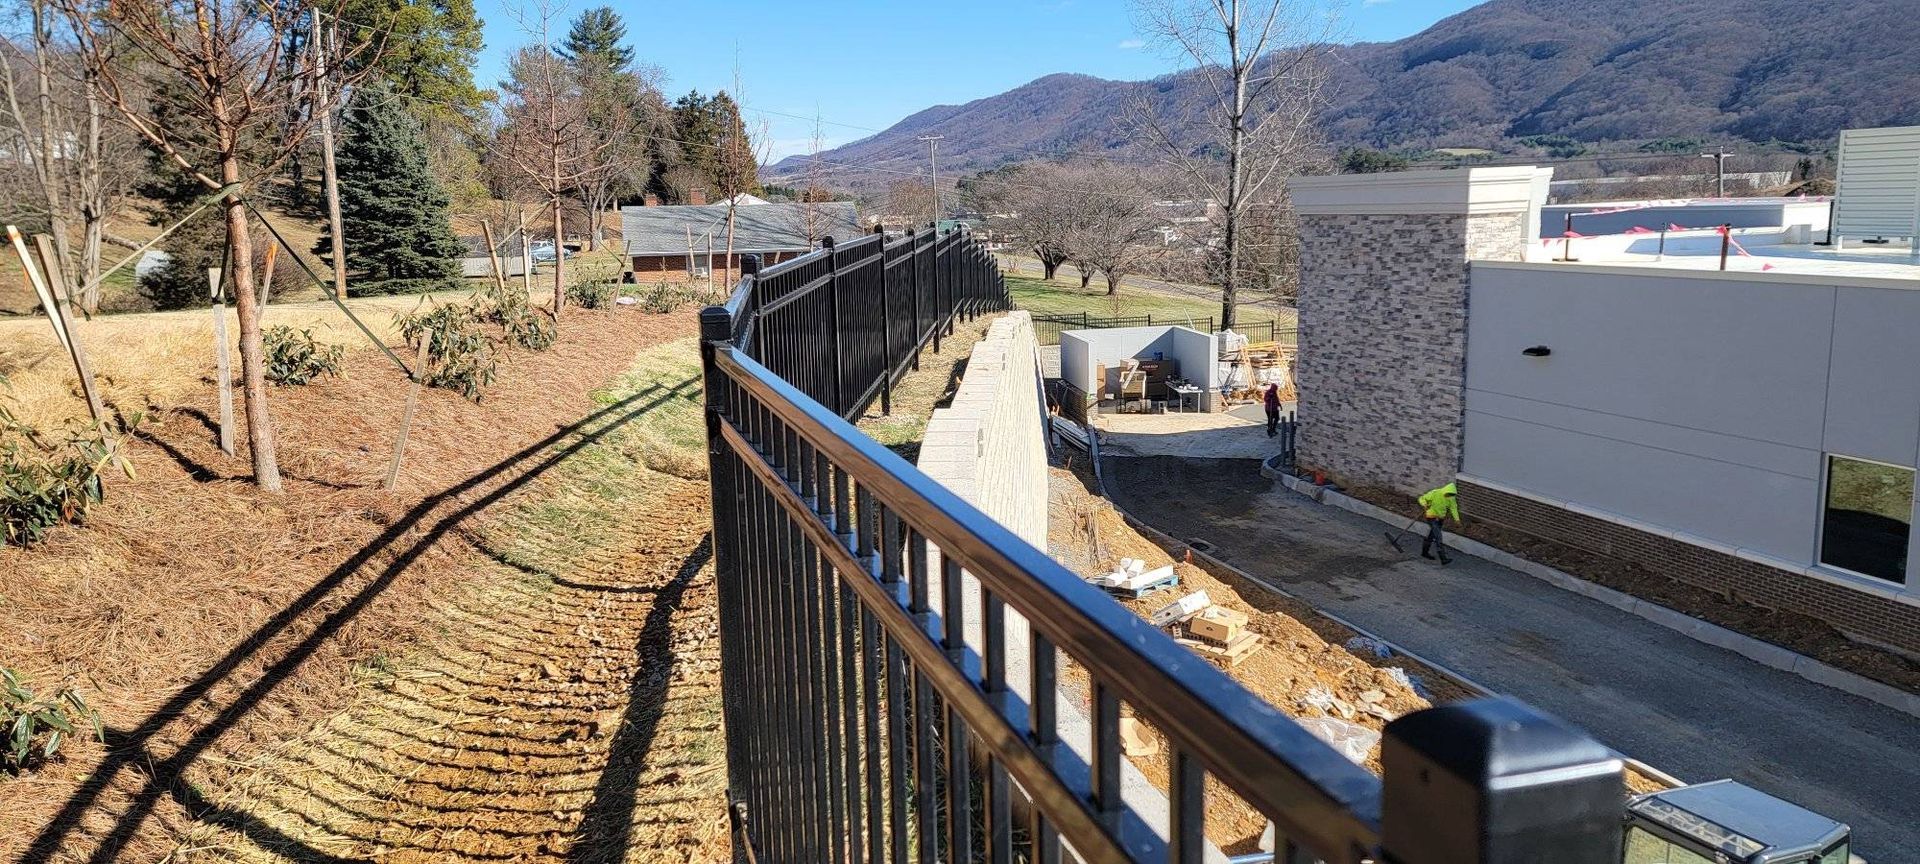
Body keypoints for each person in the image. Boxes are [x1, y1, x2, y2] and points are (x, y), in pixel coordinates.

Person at [1417, 482, 1460, 565]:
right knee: (1438, 536)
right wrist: (1424, 504)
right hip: (1431, 517)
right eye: (1448, 494)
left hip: (1440, 519)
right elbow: (1421, 498)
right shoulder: (1435, 493)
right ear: (1445, 491)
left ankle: (1424, 553)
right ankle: (1443, 558)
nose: (1449, 496)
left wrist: (1457, 520)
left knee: (1432, 535)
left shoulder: (1451, 498)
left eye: (1451, 495)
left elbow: (1453, 508)